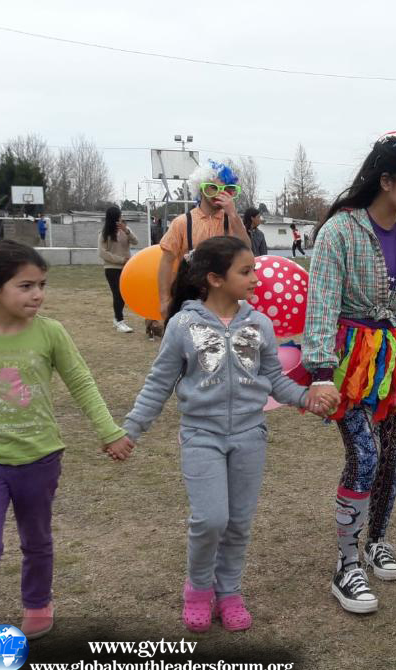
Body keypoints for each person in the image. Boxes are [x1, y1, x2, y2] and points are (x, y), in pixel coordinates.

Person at [0, 240, 133, 670]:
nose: (38, 294)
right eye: (26, 286)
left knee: (36, 540)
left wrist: (109, 431)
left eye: (42, 285)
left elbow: (82, 382)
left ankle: (37, 602)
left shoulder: (51, 332)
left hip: (40, 457)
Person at [123, 236, 335, 633]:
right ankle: (198, 590)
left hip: (249, 437)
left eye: (253, 269)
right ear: (215, 279)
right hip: (201, 436)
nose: (256, 277)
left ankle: (230, 592)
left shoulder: (260, 324)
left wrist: (308, 398)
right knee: (210, 519)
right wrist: (131, 430)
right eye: (246, 271)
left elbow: (275, 380)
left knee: (238, 522)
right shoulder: (183, 325)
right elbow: (158, 383)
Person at [302, 130, 396, 614]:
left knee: (391, 454)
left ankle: (377, 538)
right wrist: (321, 372)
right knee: (363, 455)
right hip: (349, 362)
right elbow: (320, 303)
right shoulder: (339, 231)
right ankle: (346, 564)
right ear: (386, 180)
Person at [154, 160, 251, 329]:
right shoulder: (182, 222)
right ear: (200, 188)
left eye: (225, 189)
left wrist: (233, 215)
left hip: (225, 299)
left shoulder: (232, 221)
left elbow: (247, 250)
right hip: (190, 298)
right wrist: (164, 300)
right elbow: (167, 261)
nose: (218, 194)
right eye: (212, 187)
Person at [98, 205, 138, 333]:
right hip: (112, 268)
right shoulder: (104, 233)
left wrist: (126, 231)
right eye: (119, 216)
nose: (121, 219)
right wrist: (121, 260)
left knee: (124, 295)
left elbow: (136, 241)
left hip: (127, 268)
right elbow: (102, 253)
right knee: (118, 294)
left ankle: (118, 319)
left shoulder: (126, 230)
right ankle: (119, 320)